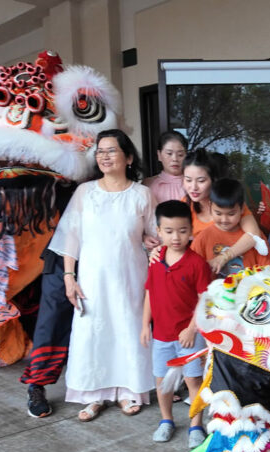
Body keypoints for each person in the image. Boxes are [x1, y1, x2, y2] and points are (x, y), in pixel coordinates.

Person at [48, 128, 159, 421]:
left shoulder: (143, 195)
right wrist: (69, 277)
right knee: (93, 333)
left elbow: (155, 236)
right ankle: (94, 395)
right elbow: (71, 238)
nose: (104, 156)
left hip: (130, 277)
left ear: (129, 158)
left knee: (126, 329)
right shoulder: (85, 192)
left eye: (111, 150)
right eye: (100, 151)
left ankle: (128, 391)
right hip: (92, 279)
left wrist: (150, 241)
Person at [142, 200, 214, 447]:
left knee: (193, 381)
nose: (176, 237)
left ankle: (196, 426)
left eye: (182, 231)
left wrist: (192, 329)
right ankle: (166, 420)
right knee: (162, 381)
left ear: (191, 230)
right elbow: (149, 293)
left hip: (189, 336)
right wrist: (144, 326)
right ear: (159, 231)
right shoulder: (155, 260)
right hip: (161, 335)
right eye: (169, 231)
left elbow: (205, 300)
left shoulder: (196, 264)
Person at [180, 149, 265, 274]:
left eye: (201, 181)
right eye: (188, 180)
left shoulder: (231, 203)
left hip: (237, 272)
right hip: (204, 273)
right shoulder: (185, 205)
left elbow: (254, 236)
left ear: (213, 180)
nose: (193, 187)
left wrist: (223, 257)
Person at [190, 178, 270, 276]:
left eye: (231, 214)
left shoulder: (256, 239)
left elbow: (269, 274)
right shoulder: (202, 239)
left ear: (242, 208)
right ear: (210, 207)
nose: (224, 219)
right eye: (218, 213)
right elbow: (191, 272)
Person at [142, 130, 188, 204]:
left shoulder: (192, 184)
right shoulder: (149, 184)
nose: (175, 159)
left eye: (180, 155)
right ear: (159, 155)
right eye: (169, 153)